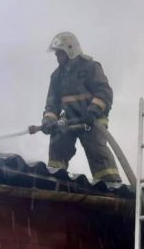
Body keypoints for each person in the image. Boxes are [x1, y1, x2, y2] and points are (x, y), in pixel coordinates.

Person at [41, 31, 122, 184]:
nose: (57, 57)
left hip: (92, 119)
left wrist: (92, 111)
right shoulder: (57, 76)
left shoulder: (91, 67)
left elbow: (104, 92)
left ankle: (111, 185)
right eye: (56, 53)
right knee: (58, 142)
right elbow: (52, 103)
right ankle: (55, 179)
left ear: (70, 50)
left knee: (97, 152)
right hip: (70, 120)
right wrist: (48, 121)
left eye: (59, 53)